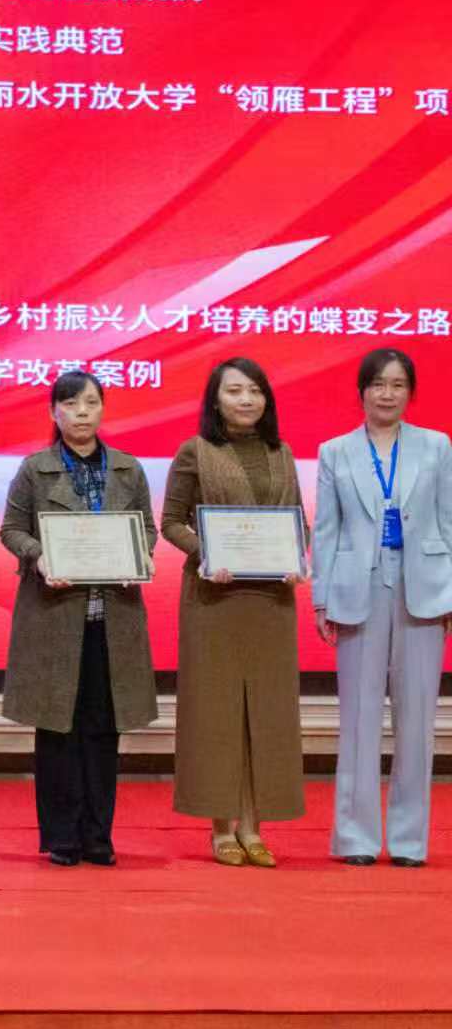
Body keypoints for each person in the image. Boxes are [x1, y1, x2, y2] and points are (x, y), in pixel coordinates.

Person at [0, 371, 159, 866]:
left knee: (104, 728)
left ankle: (98, 836)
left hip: (113, 619)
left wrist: (139, 555)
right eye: (70, 404)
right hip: (54, 617)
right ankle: (62, 837)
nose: (82, 412)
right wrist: (38, 555)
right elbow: (11, 530)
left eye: (91, 402)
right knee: (57, 729)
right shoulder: (35, 468)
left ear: (103, 409)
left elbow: (148, 531)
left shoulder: (128, 469)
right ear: (54, 412)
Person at [161, 357, 307, 867]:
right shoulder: (195, 451)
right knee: (217, 712)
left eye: (255, 391)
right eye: (234, 391)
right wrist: (207, 552)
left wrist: (297, 559)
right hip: (214, 599)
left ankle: (253, 827)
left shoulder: (281, 452)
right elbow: (171, 522)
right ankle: (221, 828)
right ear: (215, 400)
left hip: (271, 602)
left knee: (266, 713)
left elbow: (296, 522)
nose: (246, 400)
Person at [311, 347, 452, 867]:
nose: (387, 394)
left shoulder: (437, 446)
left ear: (410, 392)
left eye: (397, 384)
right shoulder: (336, 451)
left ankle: (411, 842)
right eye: (377, 384)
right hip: (358, 588)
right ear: (362, 392)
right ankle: (356, 838)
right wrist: (321, 598)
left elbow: (449, 521)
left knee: (417, 720)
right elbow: (326, 530)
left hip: (424, 588)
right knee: (358, 717)